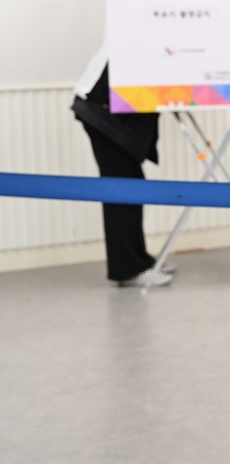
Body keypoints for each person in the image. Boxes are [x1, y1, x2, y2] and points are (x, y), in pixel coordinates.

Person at [71, 48, 173, 288]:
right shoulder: (134, 18)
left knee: (132, 186)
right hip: (104, 109)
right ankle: (127, 269)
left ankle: (140, 260)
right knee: (119, 191)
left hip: (118, 107)